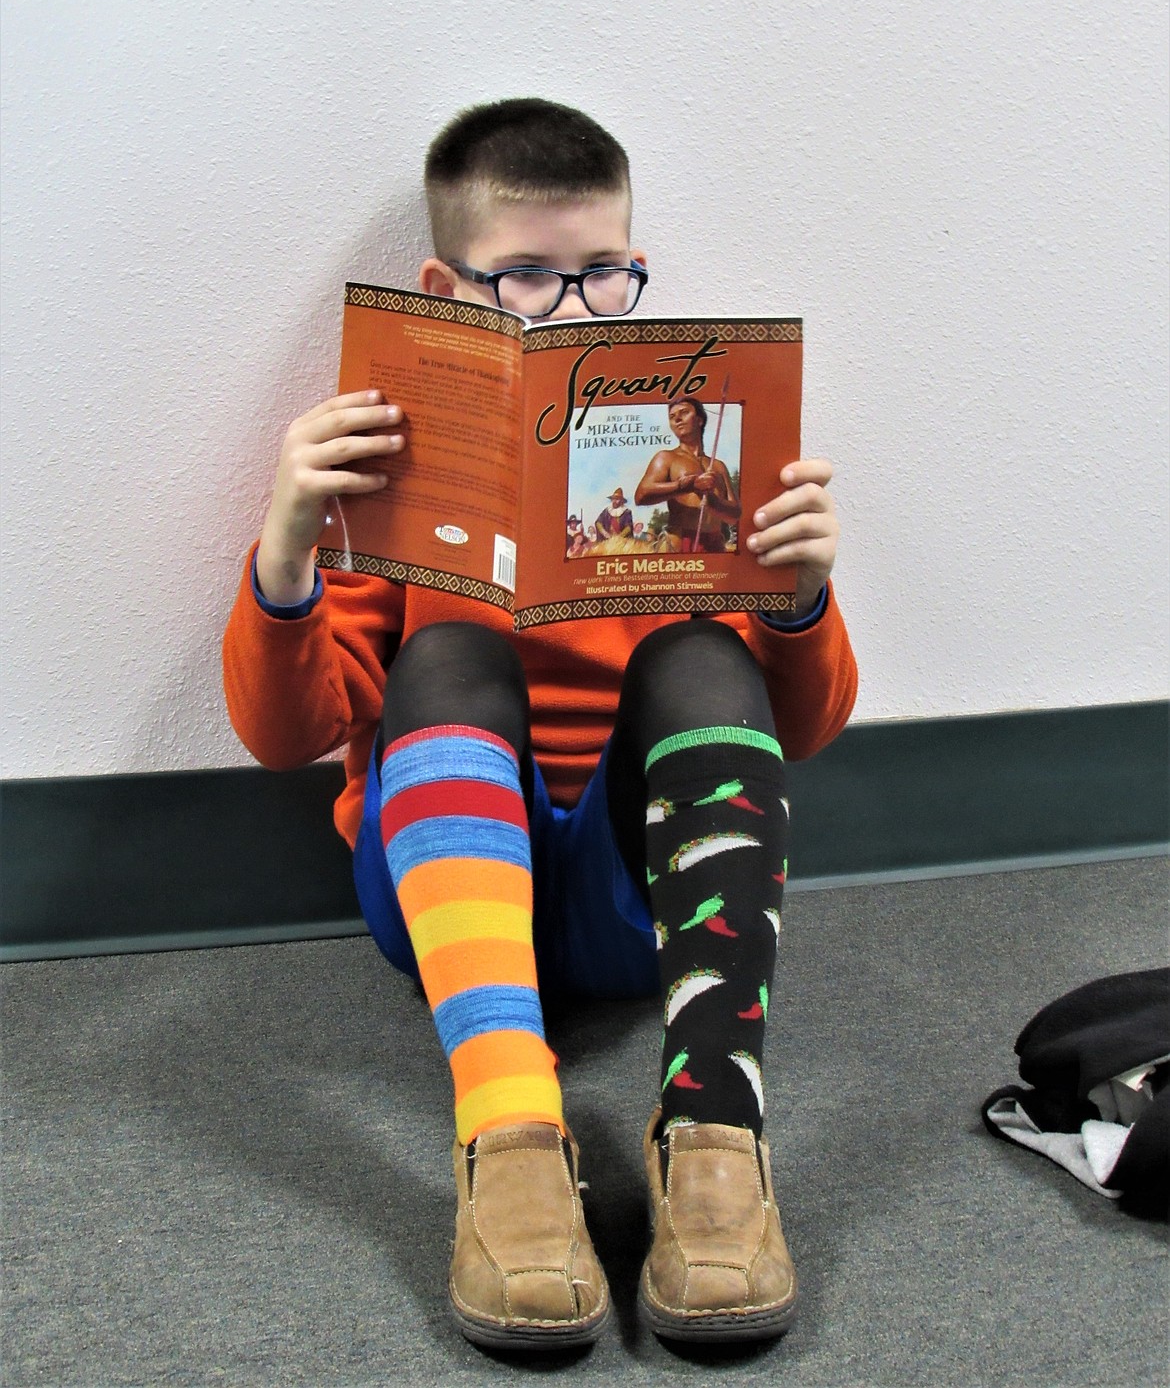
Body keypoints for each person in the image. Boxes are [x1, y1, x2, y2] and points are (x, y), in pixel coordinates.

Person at [223, 98, 856, 1352]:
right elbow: (286, 736)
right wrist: (290, 545)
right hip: (445, 895)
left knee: (690, 650)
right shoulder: (384, 460)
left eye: (605, 274)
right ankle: (507, 1134)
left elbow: (802, 733)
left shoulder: (692, 449)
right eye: (525, 277)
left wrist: (798, 602)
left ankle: (716, 1129)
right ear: (444, 284)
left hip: (653, 908)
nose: (574, 310)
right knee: (451, 645)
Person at [635, 395, 740, 553]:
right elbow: (641, 495)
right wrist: (687, 486)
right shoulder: (666, 457)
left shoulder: (718, 466)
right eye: (672, 417)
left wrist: (713, 501)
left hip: (714, 545)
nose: (677, 419)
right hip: (680, 543)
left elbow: (735, 515)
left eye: (684, 412)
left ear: (699, 420)